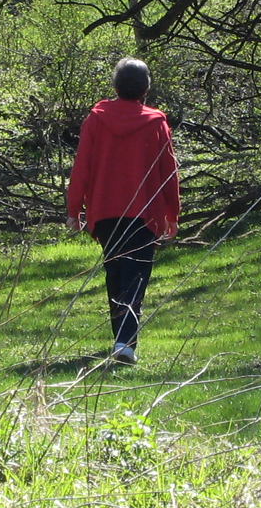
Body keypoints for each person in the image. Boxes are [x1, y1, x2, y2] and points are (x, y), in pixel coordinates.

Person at [66, 57, 180, 365]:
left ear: (116, 85)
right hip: (144, 212)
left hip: (105, 211)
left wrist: (74, 208)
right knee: (135, 275)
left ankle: (122, 340)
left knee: (116, 273)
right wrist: (172, 213)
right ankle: (125, 343)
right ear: (146, 88)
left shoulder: (96, 119)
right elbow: (168, 171)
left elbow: (82, 167)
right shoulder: (156, 122)